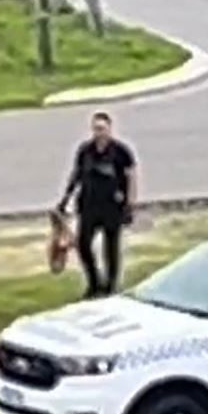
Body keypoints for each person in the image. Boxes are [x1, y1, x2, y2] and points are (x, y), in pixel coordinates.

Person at [57, 111, 138, 299]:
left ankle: (111, 286)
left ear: (110, 129)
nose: (98, 132)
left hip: (112, 207)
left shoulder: (121, 152)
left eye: (102, 128)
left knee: (111, 249)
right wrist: (65, 198)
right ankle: (94, 283)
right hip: (88, 206)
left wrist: (130, 205)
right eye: (95, 128)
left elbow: (131, 178)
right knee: (83, 244)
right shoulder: (85, 150)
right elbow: (76, 174)